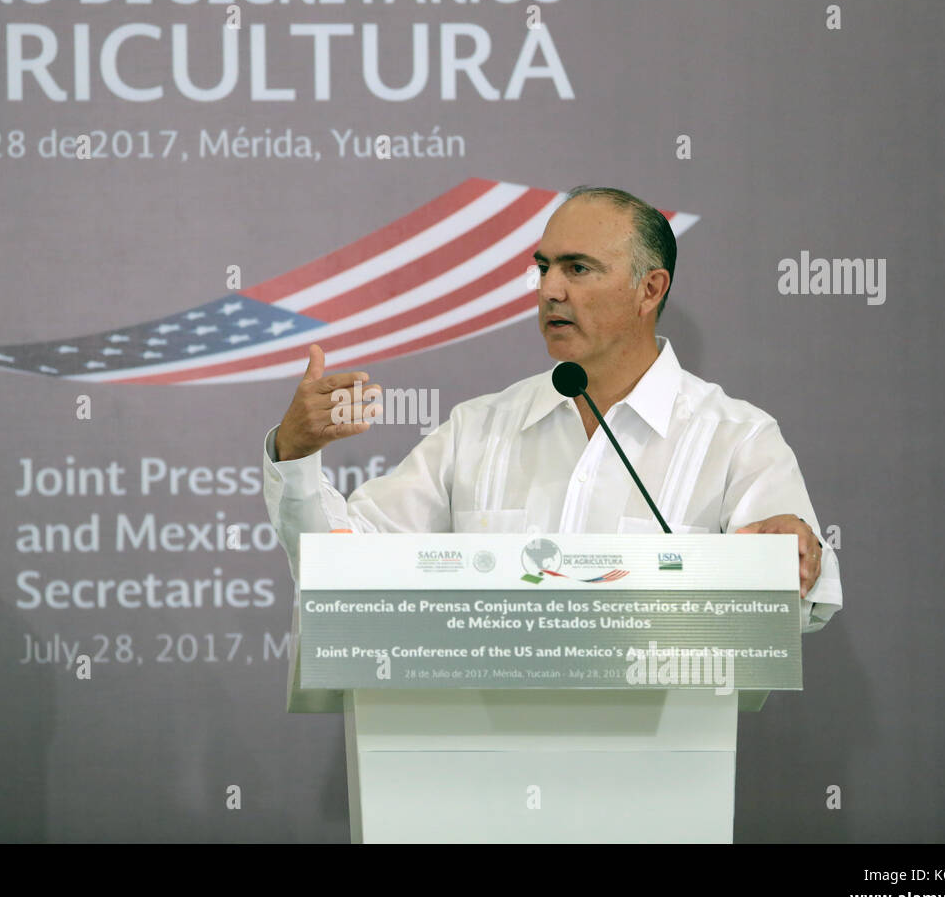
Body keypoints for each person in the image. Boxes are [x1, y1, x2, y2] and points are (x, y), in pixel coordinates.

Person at [261, 186, 842, 632]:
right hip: (474, 771)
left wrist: (796, 556)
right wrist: (295, 456)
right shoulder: (479, 430)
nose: (549, 291)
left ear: (650, 289)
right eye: (543, 268)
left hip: (660, 772)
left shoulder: (736, 438)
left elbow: (795, 591)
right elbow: (341, 565)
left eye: (578, 269)